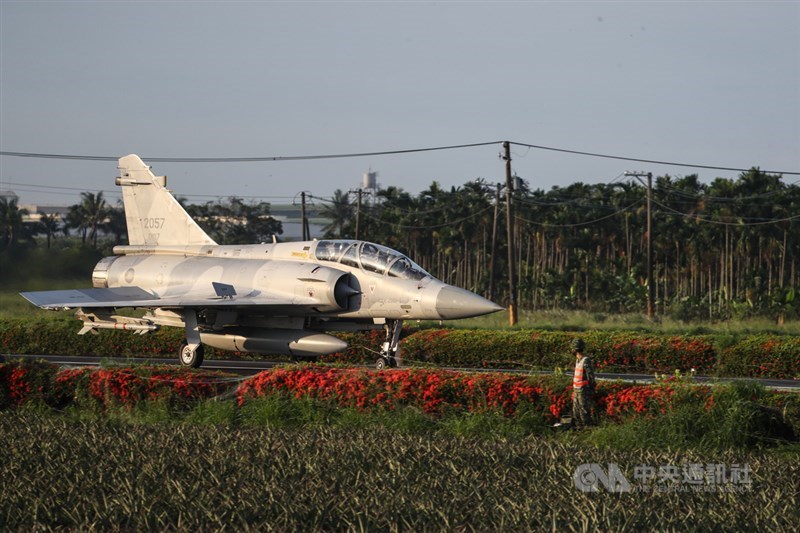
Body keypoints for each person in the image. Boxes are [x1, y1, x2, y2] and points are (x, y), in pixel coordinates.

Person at [571, 337, 596, 427]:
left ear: (575, 349)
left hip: (583, 391)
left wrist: (591, 390)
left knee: (584, 414)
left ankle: (587, 431)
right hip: (577, 391)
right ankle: (580, 431)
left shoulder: (585, 360)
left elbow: (591, 377)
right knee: (576, 414)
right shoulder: (578, 361)